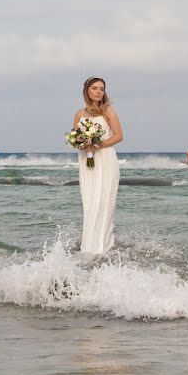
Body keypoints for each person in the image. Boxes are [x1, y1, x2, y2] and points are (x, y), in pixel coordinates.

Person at [72, 76, 123, 254]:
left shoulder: (107, 110)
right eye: (95, 88)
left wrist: (98, 144)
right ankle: (88, 247)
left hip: (106, 159)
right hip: (87, 161)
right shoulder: (79, 114)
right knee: (90, 201)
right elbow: (75, 138)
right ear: (87, 90)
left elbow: (118, 136)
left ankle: (103, 247)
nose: (99, 91)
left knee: (104, 201)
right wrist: (82, 143)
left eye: (102, 88)